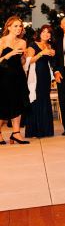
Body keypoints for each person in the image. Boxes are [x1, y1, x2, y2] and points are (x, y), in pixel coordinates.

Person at [0, 16, 29, 145]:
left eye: (20, 26)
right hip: (4, 77)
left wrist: (24, 57)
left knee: (18, 104)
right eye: (15, 26)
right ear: (9, 27)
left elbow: (21, 62)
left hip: (18, 76)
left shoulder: (22, 42)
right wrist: (9, 54)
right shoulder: (1, 41)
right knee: (4, 105)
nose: (19, 28)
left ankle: (16, 133)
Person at [25, 25, 55, 139]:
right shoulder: (33, 45)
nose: (46, 34)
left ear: (51, 36)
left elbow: (51, 62)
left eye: (48, 32)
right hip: (36, 75)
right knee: (35, 99)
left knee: (44, 99)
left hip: (46, 75)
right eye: (44, 32)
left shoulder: (49, 45)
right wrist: (42, 53)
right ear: (40, 33)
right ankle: (35, 130)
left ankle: (45, 130)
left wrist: (52, 54)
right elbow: (29, 61)